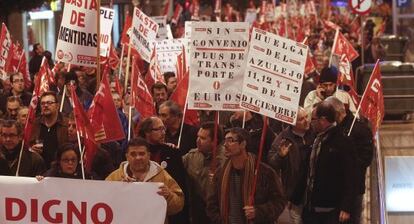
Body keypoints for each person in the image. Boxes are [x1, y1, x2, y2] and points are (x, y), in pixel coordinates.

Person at [207, 127, 286, 224]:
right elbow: (211, 203)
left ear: (243, 144)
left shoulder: (264, 172)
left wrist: (258, 211)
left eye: (230, 140)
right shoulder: (220, 172)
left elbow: (279, 201)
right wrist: (219, 220)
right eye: (225, 140)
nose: (225, 145)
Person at [106, 137, 184, 223]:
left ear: (149, 155)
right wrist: (118, 190)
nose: (138, 157)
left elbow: (179, 205)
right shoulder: (115, 178)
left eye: (142, 153)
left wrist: (169, 195)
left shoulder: (161, 175)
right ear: (127, 156)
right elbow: (104, 203)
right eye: (133, 154)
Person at [303, 102, 357, 224]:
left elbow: (351, 176)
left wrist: (346, 207)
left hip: (331, 209)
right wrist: (295, 197)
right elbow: (308, 169)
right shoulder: (315, 139)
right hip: (311, 206)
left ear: (322, 120)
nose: (311, 122)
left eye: (313, 119)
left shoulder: (342, 142)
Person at [325, 96, 374, 224]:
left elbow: (366, 159)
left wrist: (348, 161)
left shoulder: (360, 129)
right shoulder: (334, 130)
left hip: (354, 190)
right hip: (336, 189)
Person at [268, 107, 315, 224]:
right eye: (301, 119)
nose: (306, 121)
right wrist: (280, 155)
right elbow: (272, 162)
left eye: (306, 117)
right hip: (294, 192)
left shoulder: (315, 132)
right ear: (292, 123)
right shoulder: (283, 138)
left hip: (313, 191)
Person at [139, 116, 189, 224]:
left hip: (167, 209)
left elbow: (181, 184)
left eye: (164, 129)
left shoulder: (172, 152)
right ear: (147, 132)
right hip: (141, 208)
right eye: (159, 129)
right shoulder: (136, 152)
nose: (163, 132)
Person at [182, 121, 227, 224]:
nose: (197, 141)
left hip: (219, 212)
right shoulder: (192, 156)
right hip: (199, 211)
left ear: (214, 141)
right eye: (198, 136)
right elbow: (176, 166)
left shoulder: (227, 159)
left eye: (203, 138)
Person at [30, 91, 69, 168]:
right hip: (38, 168)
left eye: (49, 103)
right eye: (43, 103)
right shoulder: (34, 123)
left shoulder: (67, 124)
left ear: (57, 106)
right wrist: (31, 149)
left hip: (60, 169)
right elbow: (27, 145)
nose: (46, 105)